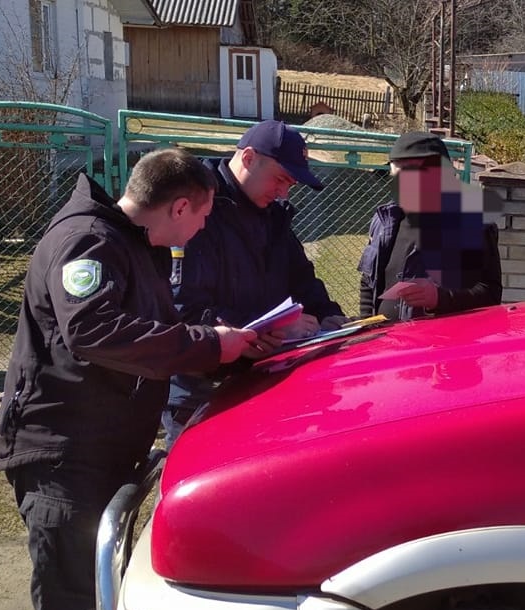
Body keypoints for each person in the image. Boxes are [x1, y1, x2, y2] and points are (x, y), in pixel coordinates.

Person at [0, 148, 273, 610]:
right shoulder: (88, 241)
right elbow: (92, 331)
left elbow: (149, 337)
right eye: (204, 215)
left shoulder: (135, 247)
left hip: (100, 450)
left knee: (103, 597)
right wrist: (210, 344)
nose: (204, 227)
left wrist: (230, 347)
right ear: (179, 207)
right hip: (64, 456)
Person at [164, 120, 349, 446]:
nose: (283, 192)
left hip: (260, 380)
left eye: (290, 184)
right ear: (248, 158)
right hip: (203, 391)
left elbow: (301, 278)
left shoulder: (273, 216)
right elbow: (182, 308)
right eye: (280, 179)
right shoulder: (198, 209)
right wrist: (258, 330)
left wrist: (329, 317)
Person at [358, 131, 503, 318]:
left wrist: (438, 298)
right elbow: (368, 283)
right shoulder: (385, 220)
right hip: (385, 335)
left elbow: (490, 293)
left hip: (439, 336)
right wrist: (367, 324)